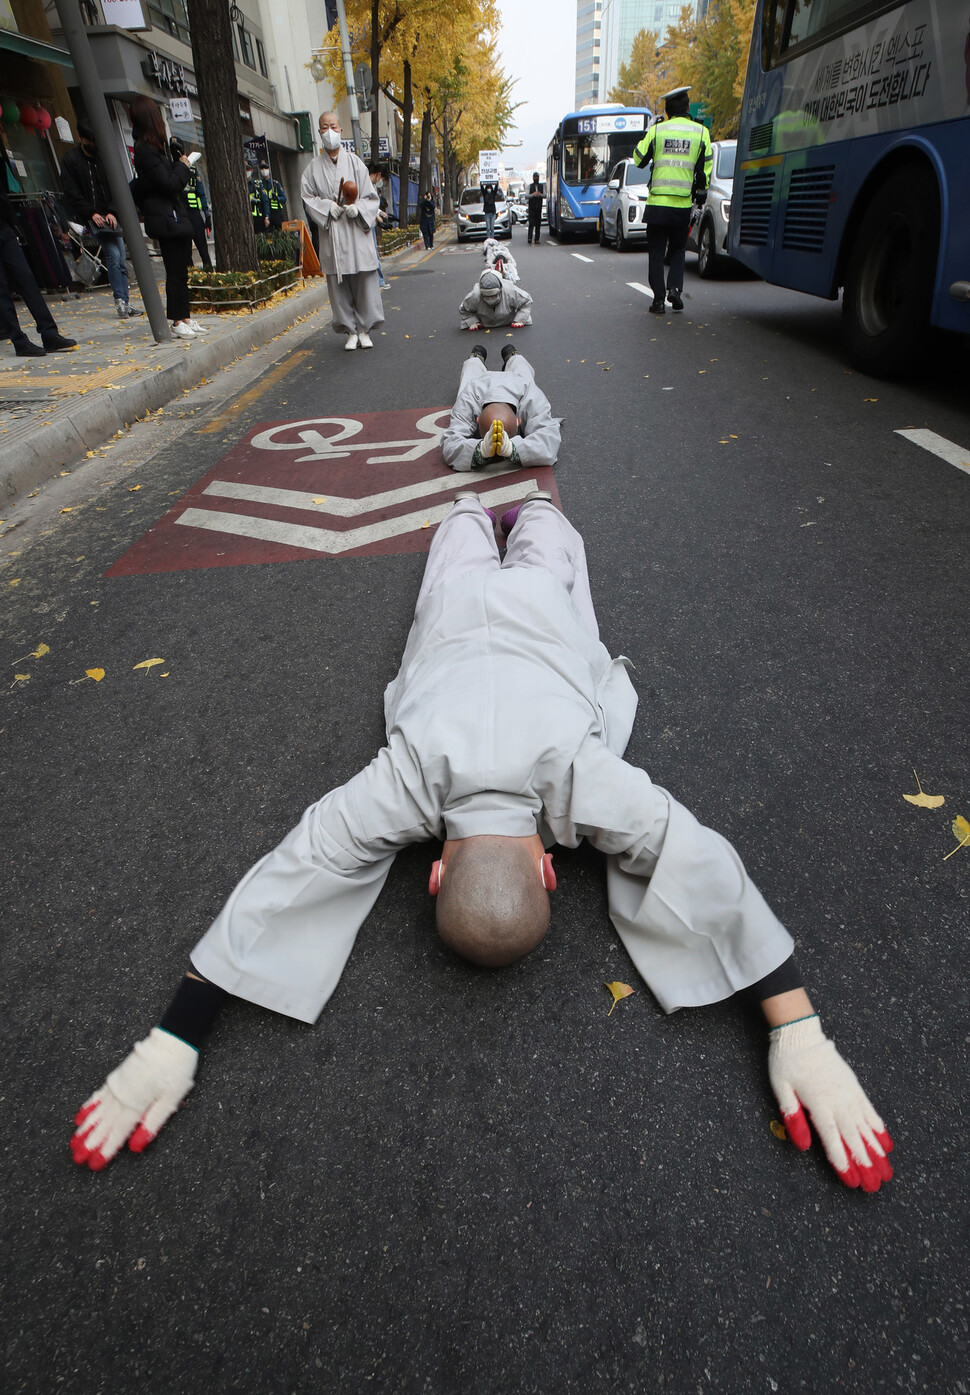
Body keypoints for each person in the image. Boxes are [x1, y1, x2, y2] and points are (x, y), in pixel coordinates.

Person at [70, 492, 894, 1195]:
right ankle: (484, 509)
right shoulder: (413, 776)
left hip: (540, 607)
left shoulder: (572, 775)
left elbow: (697, 855)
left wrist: (800, 1025)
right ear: (436, 873)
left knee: (542, 541)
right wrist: (173, 1033)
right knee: (464, 537)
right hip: (460, 612)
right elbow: (297, 864)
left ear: (542, 867)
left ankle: (515, 507)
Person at [301, 112, 384, 351]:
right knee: (338, 286)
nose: (329, 131)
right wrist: (328, 208)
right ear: (319, 133)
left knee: (364, 281)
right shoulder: (312, 168)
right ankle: (350, 331)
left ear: (341, 131)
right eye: (324, 127)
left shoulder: (355, 162)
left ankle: (365, 329)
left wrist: (357, 209)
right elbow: (307, 197)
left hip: (355, 230)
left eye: (333, 126)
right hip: (334, 231)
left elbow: (370, 196)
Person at [632, 86, 712, 314]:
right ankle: (674, 289)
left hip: (657, 205)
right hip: (682, 205)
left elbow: (638, 158)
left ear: (666, 111)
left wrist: (648, 131)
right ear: (688, 108)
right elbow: (705, 169)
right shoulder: (700, 132)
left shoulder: (657, 131)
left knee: (656, 253)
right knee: (678, 249)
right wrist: (700, 196)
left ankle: (658, 301)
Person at [130, 97, 203, 340]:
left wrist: (176, 160)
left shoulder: (154, 150)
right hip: (165, 218)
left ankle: (185, 317)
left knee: (182, 269)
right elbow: (169, 184)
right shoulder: (145, 152)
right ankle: (177, 320)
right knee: (175, 271)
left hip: (172, 217)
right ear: (153, 121)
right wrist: (183, 166)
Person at [0, 137, 76, 356]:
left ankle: (49, 333)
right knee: (2, 288)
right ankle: (18, 340)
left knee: (26, 278)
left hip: (4, 224)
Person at [60, 118, 142, 320]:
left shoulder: (104, 158)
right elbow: (71, 192)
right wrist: (91, 213)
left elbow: (117, 186)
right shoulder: (71, 161)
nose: (94, 146)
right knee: (114, 256)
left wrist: (113, 211)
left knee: (120, 258)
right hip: (91, 217)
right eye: (90, 142)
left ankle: (125, 301)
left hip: (111, 215)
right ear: (81, 139)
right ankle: (121, 301)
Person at [442, 343, 559, 472]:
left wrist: (512, 449)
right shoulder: (469, 394)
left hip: (518, 380)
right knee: (471, 368)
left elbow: (550, 442)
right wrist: (479, 450)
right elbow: (449, 442)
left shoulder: (530, 394)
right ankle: (479, 359)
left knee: (521, 366)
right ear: (517, 421)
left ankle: (511, 357)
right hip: (480, 382)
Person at [459, 268, 533, 331]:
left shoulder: (510, 291)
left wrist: (520, 319)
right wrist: (473, 322)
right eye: (487, 296)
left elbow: (526, 301)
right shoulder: (475, 295)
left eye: (494, 295)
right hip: (484, 323)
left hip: (508, 321)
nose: (490, 300)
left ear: (500, 289)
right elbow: (464, 309)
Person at [181, 154, 212, 270]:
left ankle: (209, 274)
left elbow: (201, 193)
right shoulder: (173, 169)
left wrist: (207, 214)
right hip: (182, 216)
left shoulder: (193, 170)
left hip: (195, 215)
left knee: (202, 248)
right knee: (186, 251)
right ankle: (192, 279)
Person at [367, 162, 390, 290]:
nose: (380, 181)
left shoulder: (370, 185)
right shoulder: (365, 183)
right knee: (373, 253)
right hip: (367, 223)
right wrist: (376, 215)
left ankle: (378, 281)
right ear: (379, 174)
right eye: (382, 179)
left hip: (370, 222)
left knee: (373, 253)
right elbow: (365, 202)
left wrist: (379, 212)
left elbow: (372, 204)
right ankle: (378, 281)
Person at [260, 162, 287, 229]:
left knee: (280, 231)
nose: (264, 170)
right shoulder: (259, 184)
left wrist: (277, 198)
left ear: (269, 169)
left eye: (265, 168)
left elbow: (284, 198)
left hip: (276, 213)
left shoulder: (275, 184)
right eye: (262, 168)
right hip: (264, 213)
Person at [247, 164, 269, 235]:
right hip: (246, 219)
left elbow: (265, 201)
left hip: (259, 218)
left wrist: (266, 217)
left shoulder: (258, 185)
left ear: (251, 170)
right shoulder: (240, 185)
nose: (246, 172)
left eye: (248, 169)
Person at [527, 176, 543, 245]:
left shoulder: (541, 186)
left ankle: (537, 239)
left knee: (538, 224)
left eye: (537, 177)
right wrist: (533, 195)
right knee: (531, 223)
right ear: (533, 178)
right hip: (532, 207)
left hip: (539, 207)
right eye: (534, 177)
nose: (536, 179)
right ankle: (529, 238)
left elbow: (545, 195)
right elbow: (526, 195)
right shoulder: (530, 186)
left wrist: (540, 194)